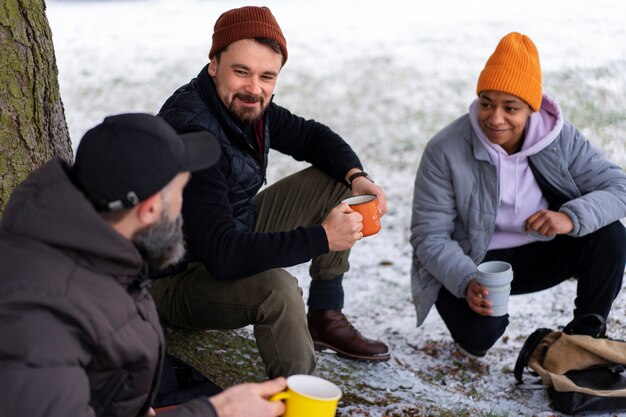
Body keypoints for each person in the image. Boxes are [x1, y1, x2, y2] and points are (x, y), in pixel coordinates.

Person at [149, 6, 391, 377]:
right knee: (278, 290)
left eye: (267, 76)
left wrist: (357, 176)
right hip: (178, 278)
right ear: (214, 63)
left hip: (231, 230)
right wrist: (321, 237)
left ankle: (325, 315)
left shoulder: (248, 107)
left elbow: (312, 137)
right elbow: (223, 256)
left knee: (336, 180)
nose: (254, 88)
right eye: (241, 71)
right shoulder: (194, 134)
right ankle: (300, 396)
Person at [0, 113, 287, 417]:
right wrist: (220, 412)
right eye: (180, 193)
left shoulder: (95, 246)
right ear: (150, 209)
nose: (182, 206)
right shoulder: (42, 324)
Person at [410, 32, 626, 358]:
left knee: (610, 235)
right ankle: (472, 318)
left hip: (538, 252)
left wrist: (570, 217)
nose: (495, 119)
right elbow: (429, 236)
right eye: (486, 103)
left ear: (531, 109)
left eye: (510, 108)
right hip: (472, 261)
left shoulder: (559, 139)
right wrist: (467, 281)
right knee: (477, 338)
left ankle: (585, 335)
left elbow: (619, 187)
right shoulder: (445, 148)